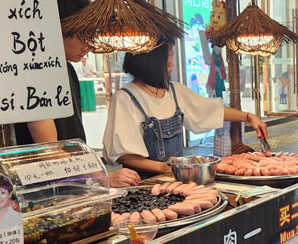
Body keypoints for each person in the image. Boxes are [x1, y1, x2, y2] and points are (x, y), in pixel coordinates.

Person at [13, 0, 140, 188]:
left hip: (73, 183)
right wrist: (103, 176)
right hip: (46, 188)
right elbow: (49, 150)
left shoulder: (67, 69)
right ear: (62, 28)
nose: (88, 44)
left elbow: (71, 140)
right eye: (83, 35)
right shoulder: (35, 73)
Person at [103, 42, 268, 176]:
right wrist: (162, 167)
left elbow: (209, 109)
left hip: (177, 179)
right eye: (166, 57)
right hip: (143, 184)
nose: (171, 63)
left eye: (172, 56)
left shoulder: (174, 91)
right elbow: (124, 155)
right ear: (148, 60)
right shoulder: (125, 98)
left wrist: (249, 116)